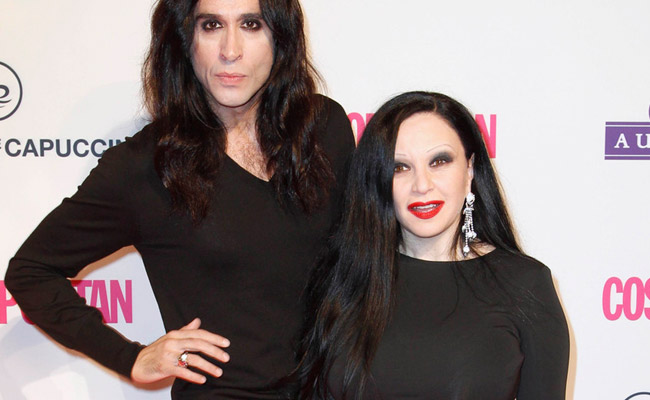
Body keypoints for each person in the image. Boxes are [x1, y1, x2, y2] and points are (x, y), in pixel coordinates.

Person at [5, 0, 354, 398]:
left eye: (252, 24)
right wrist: (130, 358)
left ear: (281, 37)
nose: (231, 49)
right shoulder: (147, 166)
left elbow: (366, 261)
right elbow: (30, 271)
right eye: (211, 25)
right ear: (185, 40)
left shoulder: (323, 129)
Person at [296, 91, 569, 399]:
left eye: (439, 161)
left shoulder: (524, 284)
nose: (422, 185)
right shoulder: (343, 275)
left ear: (470, 170)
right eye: (400, 167)